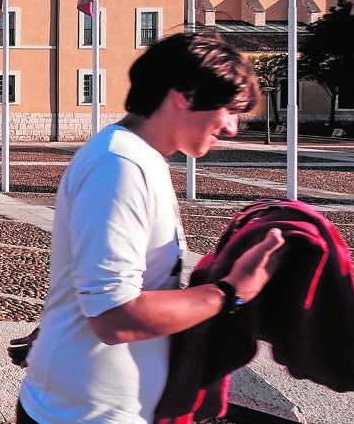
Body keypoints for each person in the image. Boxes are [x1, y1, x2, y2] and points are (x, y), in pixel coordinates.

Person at [15, 31, 285, 424]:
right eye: (229, 108)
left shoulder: (137, 159)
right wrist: (230, 292)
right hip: (83, 415)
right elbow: (113, 315)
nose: (232, 128)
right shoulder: (120, 165)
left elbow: (99, 287)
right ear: (185, 94)